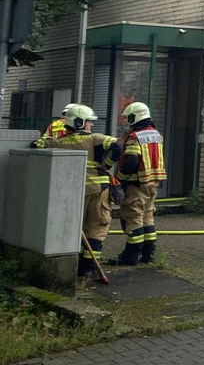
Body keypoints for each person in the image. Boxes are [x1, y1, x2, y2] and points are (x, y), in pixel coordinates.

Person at [40, 104, 121, 279]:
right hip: (98, 189)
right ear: (79, 122)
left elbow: (37, 144)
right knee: (97, 227)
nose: (91, 125)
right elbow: (117, 146)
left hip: (73, 191)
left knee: (76, 227)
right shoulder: (95, 139)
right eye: (89, 122)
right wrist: (107, 164)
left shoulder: (58, 141)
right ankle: (87, 267)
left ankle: (75, 262)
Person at [108, 102, 167, 266]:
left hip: (136, 184)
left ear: (136, 116)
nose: (128, 121)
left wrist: (120, 179)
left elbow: (131, 160)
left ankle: (130, 257)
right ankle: (148, 255)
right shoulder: (155, 134)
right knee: (147, 218)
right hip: (152, 183)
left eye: (129, 118)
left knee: (133, 219)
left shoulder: (135, 137)